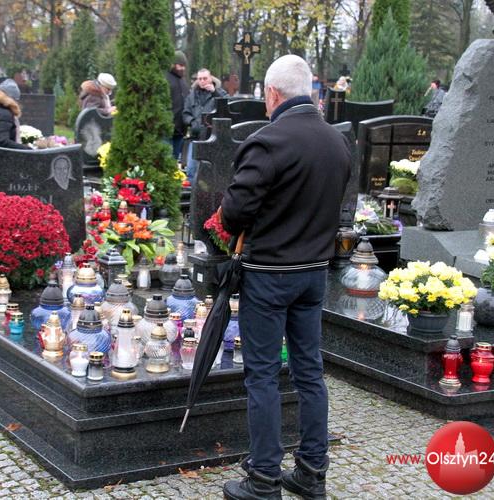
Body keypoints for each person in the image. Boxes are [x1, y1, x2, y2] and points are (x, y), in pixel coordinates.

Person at [220, 54, 352, 500]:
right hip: (313, 273)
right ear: (309, 90)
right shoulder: (337, 142)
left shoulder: (268, 141)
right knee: (309, 372)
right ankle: (312, 473)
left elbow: (234, 213)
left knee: (262, 375)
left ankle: (263, 480)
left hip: (269, 275)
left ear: (272, 94)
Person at [182, 68, 228, 182]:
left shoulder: (220, 92)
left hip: (211, 138)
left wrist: (214, 92)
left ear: (211, 78)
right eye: (200, 79)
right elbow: (186, 113)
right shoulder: (192, 95)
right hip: (195, 137)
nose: (202, 81)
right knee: (191, 170)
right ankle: (193, 192)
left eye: (205, 78)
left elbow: (226, 107)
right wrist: (192, 122)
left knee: (209, 172)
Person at [166, 51, 189, 160]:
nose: (182, 68)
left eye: (184, 66)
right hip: (167, 130)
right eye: (180, 65)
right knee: (166, 161)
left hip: (180, 130)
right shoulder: (165, 79)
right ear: (173, 64)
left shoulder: (183, 81)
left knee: (174, 161)